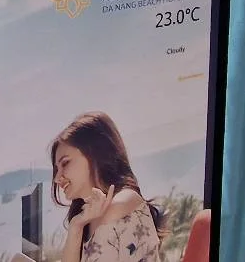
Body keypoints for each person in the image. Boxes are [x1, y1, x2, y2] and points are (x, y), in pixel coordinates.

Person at [50, 112, 166, 262]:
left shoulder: (118, 206)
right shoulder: (91, 216)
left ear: (94, 154)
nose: (57, 178)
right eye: (56, 169)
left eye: (65, 163)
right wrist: (76, 227)